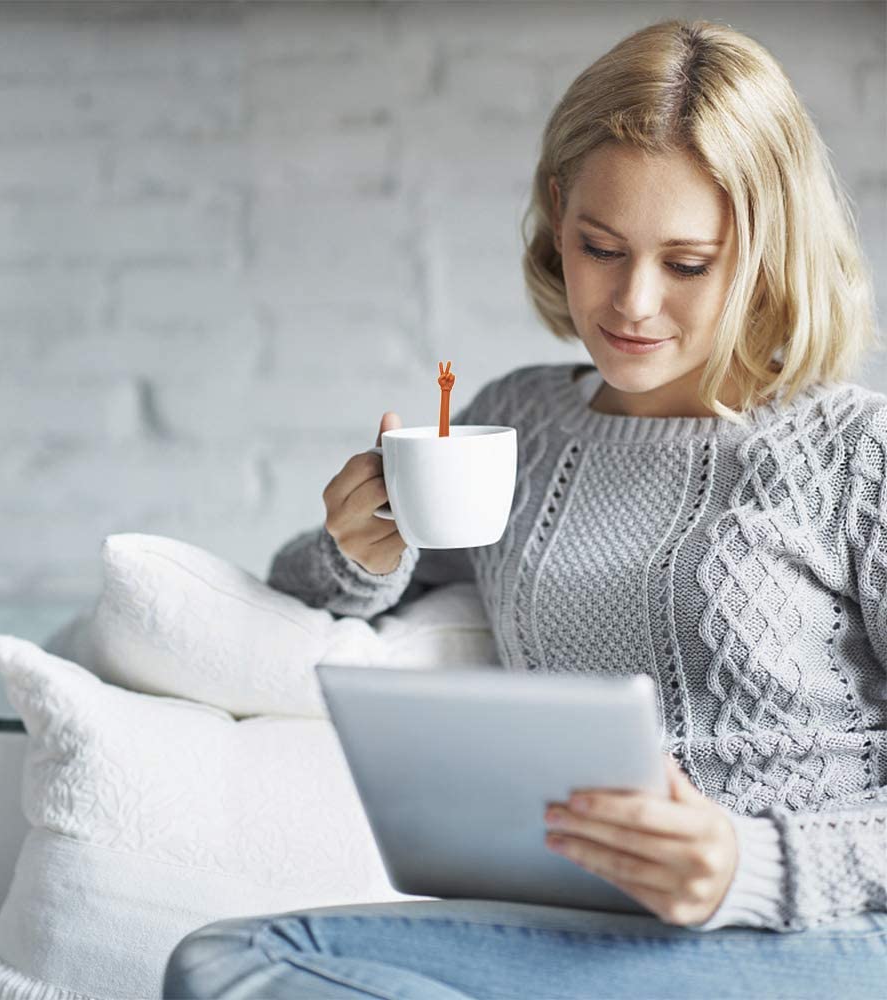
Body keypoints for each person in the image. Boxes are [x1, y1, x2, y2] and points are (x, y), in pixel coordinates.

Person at [163, 16, 887, 1000]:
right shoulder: (517, 425)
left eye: (686, 264)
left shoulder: (855, 454)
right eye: (600, 247)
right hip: (568, 933)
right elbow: (323, 597)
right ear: (557, 215)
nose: (631, 302)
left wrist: (747, 863)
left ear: (766, 251)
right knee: (228, 963)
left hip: (812, 934)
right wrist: (354, 550)